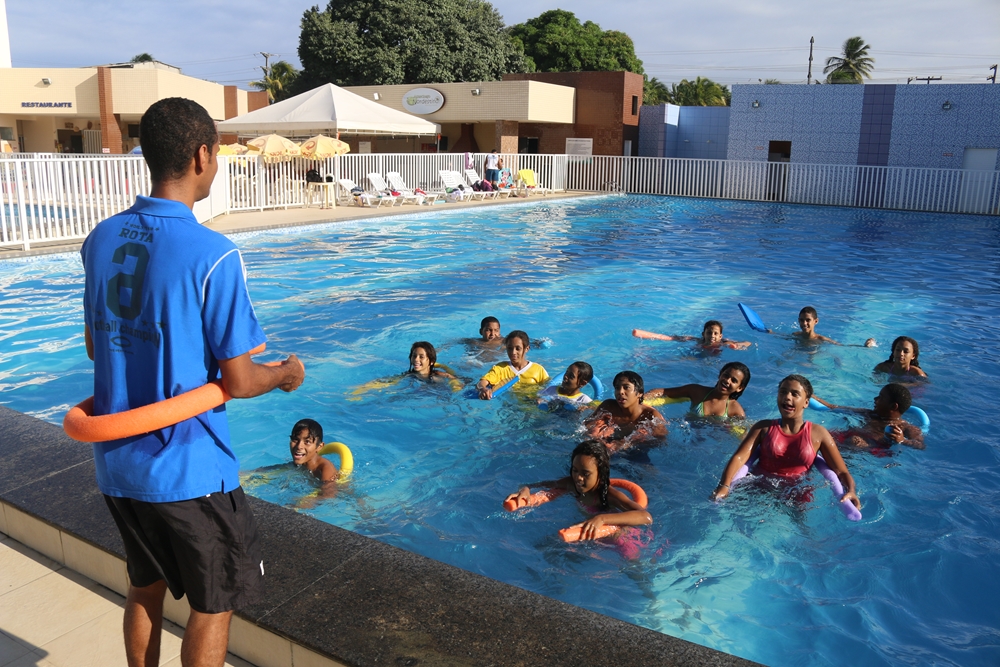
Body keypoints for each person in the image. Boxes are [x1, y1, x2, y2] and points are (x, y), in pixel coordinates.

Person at [81, 98, 305, 667]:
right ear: (202, 155)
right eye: (218, 155)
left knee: (144, 588)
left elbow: (97, 348)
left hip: (118, 465)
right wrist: (285, 374)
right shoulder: (214, 254)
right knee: (214, 605)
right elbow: (239, 379)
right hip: (188, 469)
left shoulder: (100, 239)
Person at [709, 375, 860, 511]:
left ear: (806, 402)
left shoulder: (818, 434)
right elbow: (739, 458)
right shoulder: (763, 428)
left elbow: (841, 471)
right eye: (783, 392)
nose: (787, 397)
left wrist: (851, 491)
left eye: (795, 394)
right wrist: (724, 486)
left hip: (796, 495)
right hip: (758, 488)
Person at [504, 440, 652, 541]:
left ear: (601, 473)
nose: (578, 478)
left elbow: (645, 517)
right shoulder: (571, 484)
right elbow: (538, 484)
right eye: (575, 470)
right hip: (591, 534)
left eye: (585, 474)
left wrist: (601, 519)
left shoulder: (609, 494)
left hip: (623, 538)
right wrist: (525, 489)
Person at [812, 383, 925, 449]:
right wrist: (812, 396)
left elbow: (921, 446)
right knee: (820, 433)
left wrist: (902, 440)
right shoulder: (870, 413)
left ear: (893, 406)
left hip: (874, 448)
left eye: (880, 397)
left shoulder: (905, 427)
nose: (875, 399)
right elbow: (833, 407)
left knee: (855, 441)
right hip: (851, 439)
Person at [585, 371, 667, 452]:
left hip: (636, 451)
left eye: (626, 387)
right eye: (617, 388)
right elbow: (585, 426)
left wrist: (632, 442)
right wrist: (594, 431)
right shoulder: (608, 406)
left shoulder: (650, 415)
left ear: (640, 393)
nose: (620, 392)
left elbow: (661, 441)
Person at [645, 362, 751, 420]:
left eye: (734, 380)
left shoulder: (735, 411)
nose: (727, 381)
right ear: (720, 374)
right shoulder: (697, 392)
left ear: (740, 388)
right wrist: (643, 398)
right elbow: (662, 391)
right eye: (726, 375)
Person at [477, 330, 548, 399]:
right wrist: (483, 389)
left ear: (526, 349)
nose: (513, 352)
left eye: (518, 348)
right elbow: (481, 383)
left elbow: (549, 389)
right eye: (510, 348)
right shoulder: (500, 368)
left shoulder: (538, 370)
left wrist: (542, 399)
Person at [289, 418, 338, 494]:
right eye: (295, 439)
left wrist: (300, 501)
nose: (299, 446)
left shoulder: (325, 468)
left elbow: (328, 495)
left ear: (319, 447)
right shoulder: (301, 463)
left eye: (307, 442)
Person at [632, 320, 751, 351]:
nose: (712, 335)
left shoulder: (724, 342)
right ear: (703, 334)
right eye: (709, 332)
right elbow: (671, 338)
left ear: (720, 336)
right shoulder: (698, 340)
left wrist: (738, 346)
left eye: (715, 333)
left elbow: (747, 342)